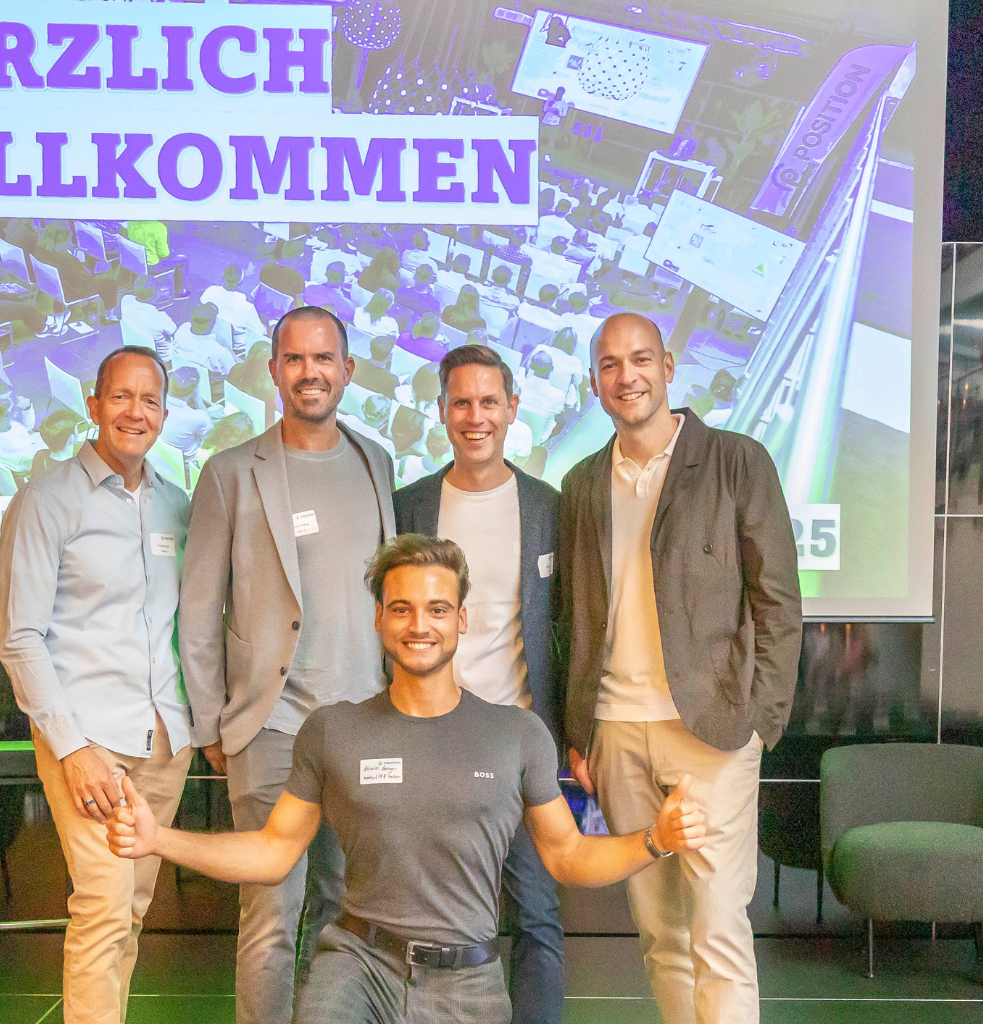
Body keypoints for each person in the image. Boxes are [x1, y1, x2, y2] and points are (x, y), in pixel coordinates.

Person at [114, 534, 707, 1024]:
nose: (418, 624)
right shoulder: (332, 731)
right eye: (401, 608)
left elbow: (568, 855)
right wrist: (157, 839)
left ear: (461, 619)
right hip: (356, 968)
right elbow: (273, 852)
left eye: (437, 609)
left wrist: (656, 839)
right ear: (379, 617)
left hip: (467, 982)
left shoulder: (517, 734)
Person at [556, 312, 802, 1024]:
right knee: (661, 935)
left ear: (668, 366)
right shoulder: (581, 482)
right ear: (594, 383)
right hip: (616, 734)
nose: (626, 376)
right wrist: (579, 733)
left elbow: (778, 600)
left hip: (711, 732)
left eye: (640, 359)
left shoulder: (736, 460)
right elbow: (573, 615)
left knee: (718, 929)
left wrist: (760, 720)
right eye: (609, 364)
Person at [180, 306, 398, 1024]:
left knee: (343, 915)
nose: (310, 372)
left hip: (364, 727)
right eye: (295, 359)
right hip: (271, 728)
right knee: (272, 920)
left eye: (324, 358)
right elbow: (199, 608)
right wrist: (210, 720)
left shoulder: (376, 462)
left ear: (347, 370)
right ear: (274, 371)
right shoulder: (230, 472)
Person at [0, 345, 196, 1024]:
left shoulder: (176, 506)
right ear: (93, 404)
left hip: (164, 738)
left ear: (164, 414)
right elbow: (20, 637)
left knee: (131, 912)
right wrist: (72, 748)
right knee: (104, 909)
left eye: (149, 400)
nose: (135, 412)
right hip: (88, 741)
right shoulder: (46, 501)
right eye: (120, 396)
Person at [392, 345, 566, 1024]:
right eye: (460, 402)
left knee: (537, 916)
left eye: (489, 401)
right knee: (422, 918)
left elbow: (569, 627)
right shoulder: (409, 505)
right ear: (440, 411)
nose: (475, 416)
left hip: (519, 744)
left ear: (512, 408)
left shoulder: (548, 507)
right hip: (425, 741)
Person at [0, 389, 47, 475]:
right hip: (30, 462)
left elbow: (25, 428)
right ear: (8, 414)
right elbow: (40, 456)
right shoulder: (19, 445)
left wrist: (26, 408)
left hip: (0, 461)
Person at [201, 264, 269, 337]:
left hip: (210, 335)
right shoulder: (247, 308)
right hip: (232, 342)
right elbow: (261, 331)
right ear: (240, 282)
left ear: (222, 276)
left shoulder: (210, 291)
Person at [118, 280, 178, 353]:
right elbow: (175, 333)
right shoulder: (160, 318)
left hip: (133, 349)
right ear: (154, 295)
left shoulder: (125, 300)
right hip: (160, 355)